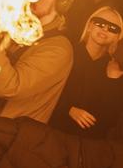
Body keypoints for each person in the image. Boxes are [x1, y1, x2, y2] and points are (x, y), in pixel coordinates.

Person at [49, 7, 123, 139]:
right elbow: (43, 90)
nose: (105, 29)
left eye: (113, 28)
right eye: (100, 23)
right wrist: (69, 110)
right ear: (89, 26)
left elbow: (110, 119)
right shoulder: (66, 52)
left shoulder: (113, 69)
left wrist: (113, 81)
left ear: (118, 37)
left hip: (86, 144)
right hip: (51, 132)